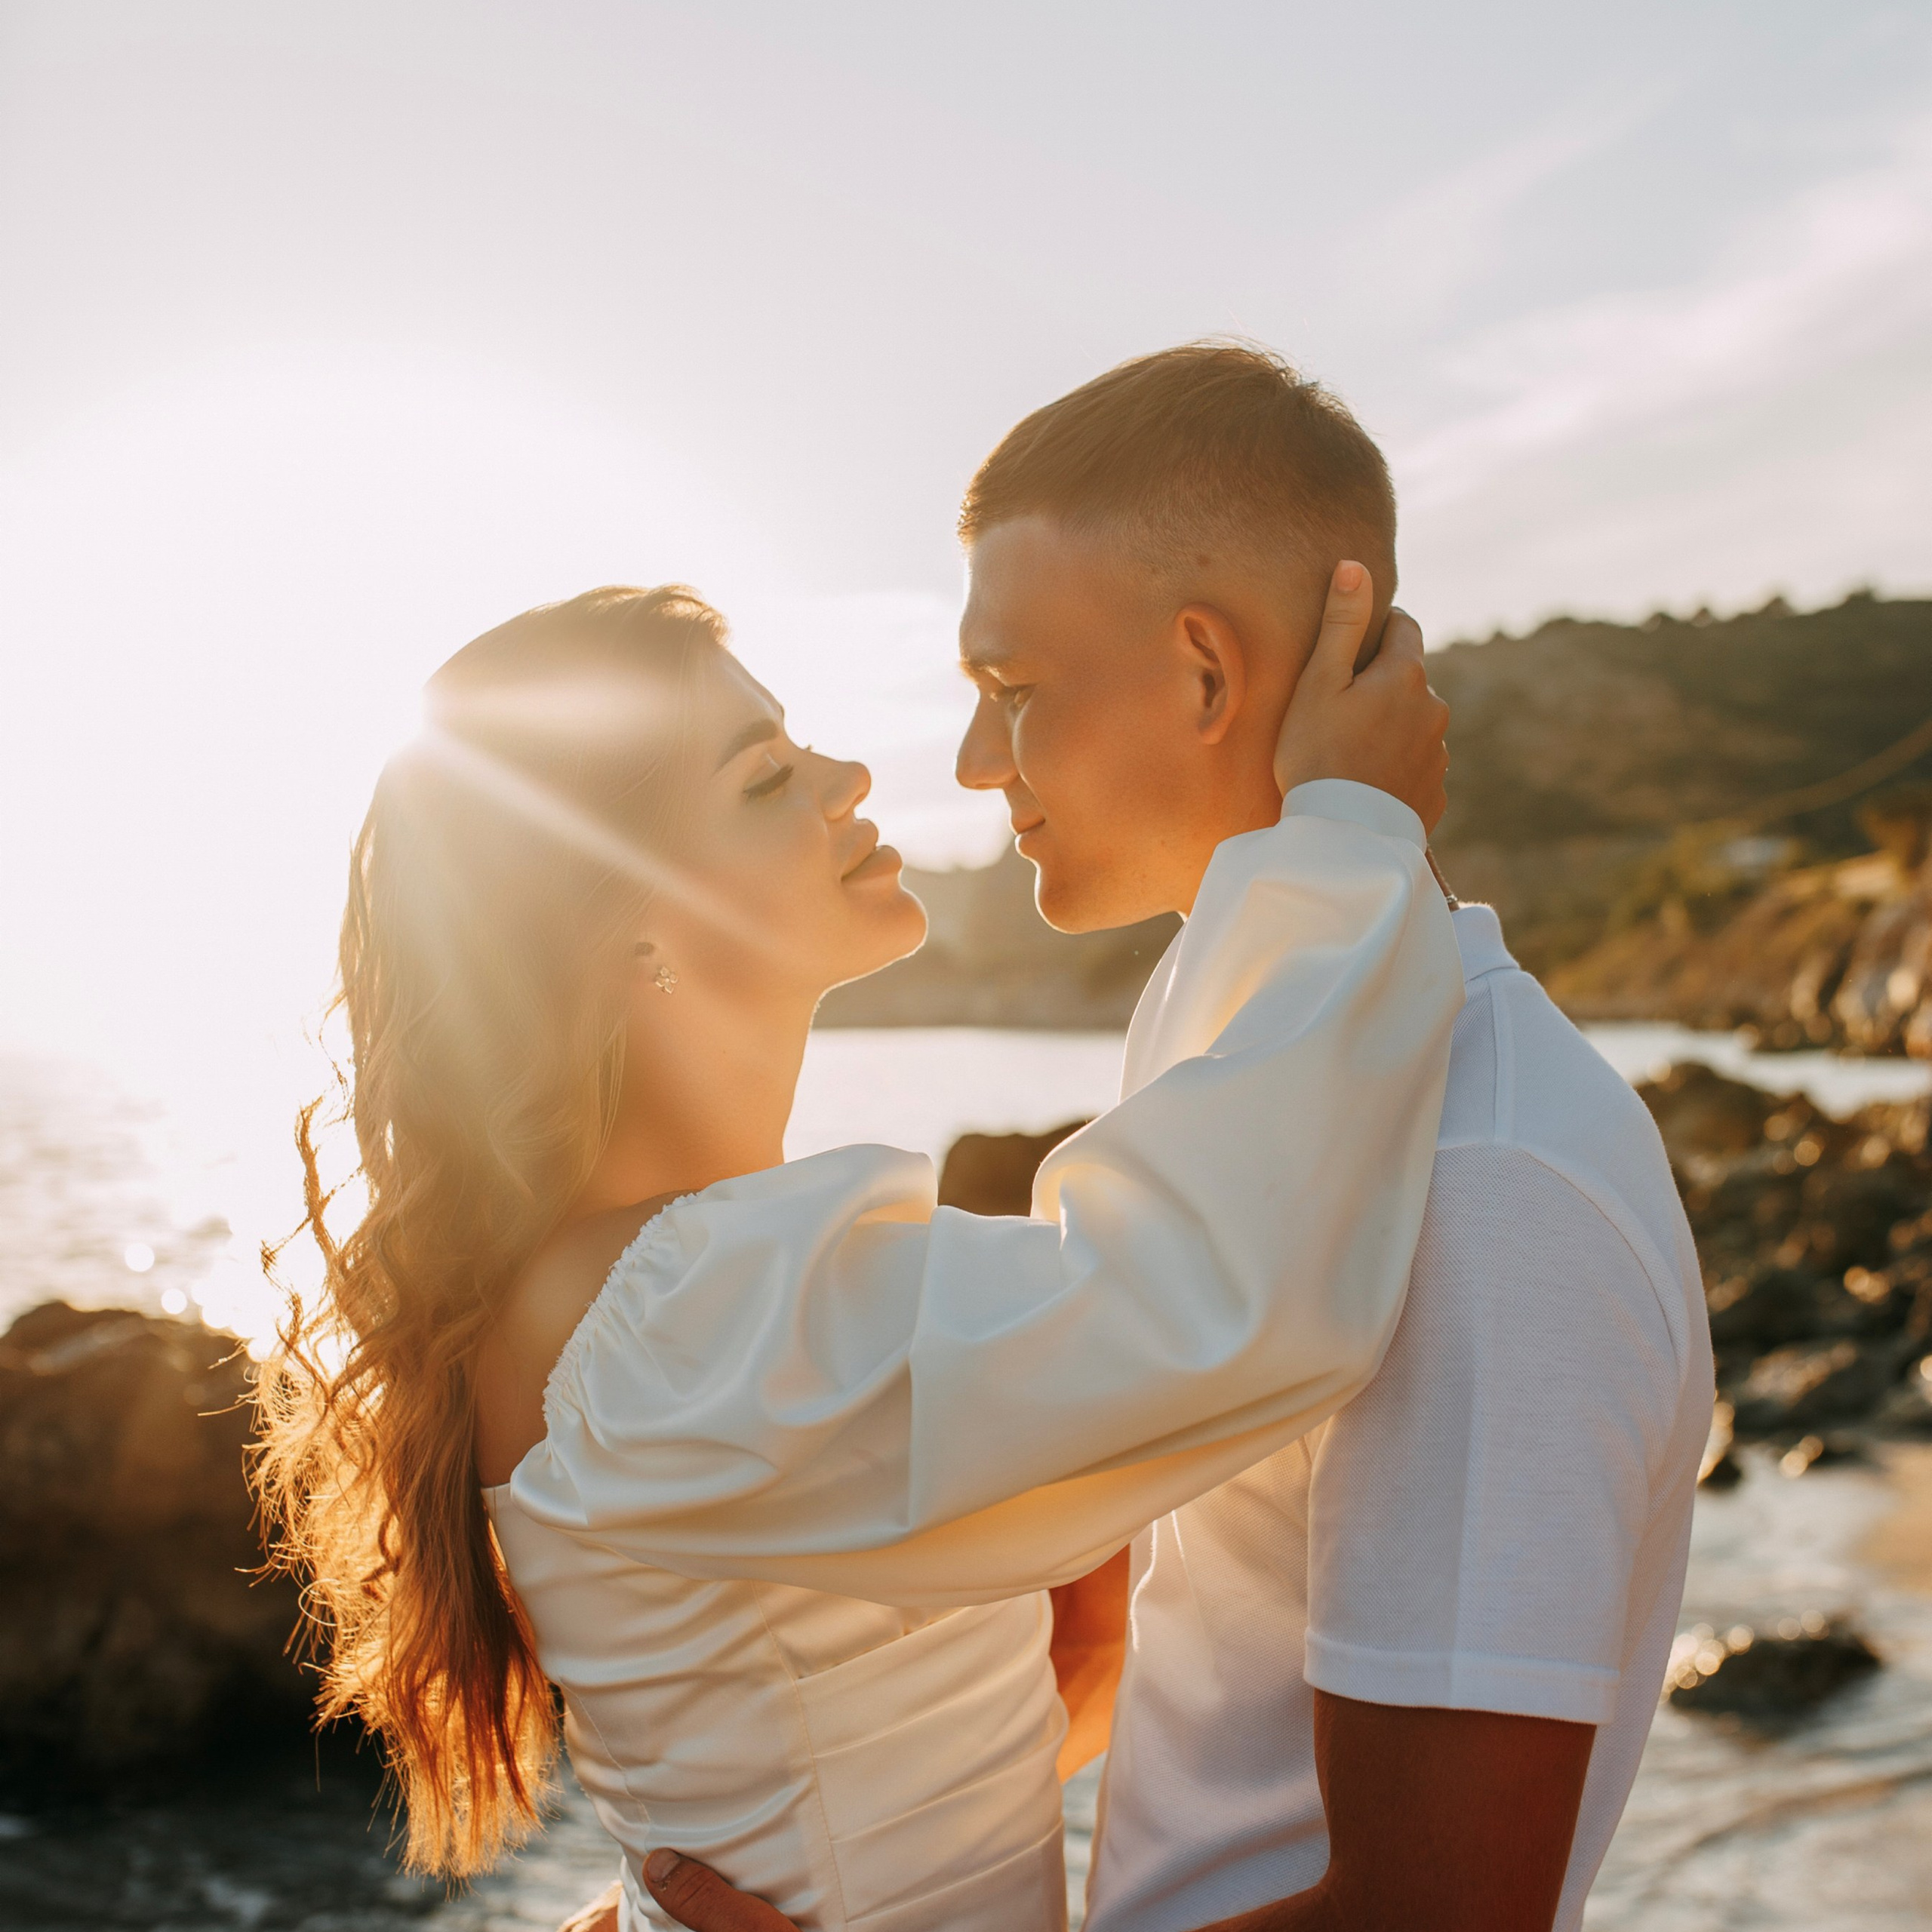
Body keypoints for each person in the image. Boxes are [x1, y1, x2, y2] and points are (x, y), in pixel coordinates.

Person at [601, 344, 1712, 1932]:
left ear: (1202, 672)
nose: (976, 766)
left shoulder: (1481, 1179)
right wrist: (788, 1866)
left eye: (1008, 692)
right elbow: (1168, 1625)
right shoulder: (1240, 1052)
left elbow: (1434, 1918)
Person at [255, 555, 1459, 1931]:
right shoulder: (672, 1306)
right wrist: (1347, 828)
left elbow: (970, 1713)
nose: (849, 780)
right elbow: (1229, 1293)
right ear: (617, 933)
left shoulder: (660, 1291)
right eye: (766, 776)